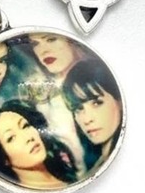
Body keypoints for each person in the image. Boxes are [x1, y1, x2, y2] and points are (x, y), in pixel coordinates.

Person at [12, 33, 89, 176]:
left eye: (51, 39)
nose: (43, 51)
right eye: (35, 44)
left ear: (71, 41)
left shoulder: (95, 82)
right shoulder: (39, 90)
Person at [0, 100, 78, 190]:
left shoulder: (64, 170)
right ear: (4, 159)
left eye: (25, 126)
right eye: (11, 138)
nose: (28, 138)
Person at [62, 58, 123, 173]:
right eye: (78, 109)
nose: (87, 119)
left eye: (97, 103)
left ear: (119, 101)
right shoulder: (94, 167)